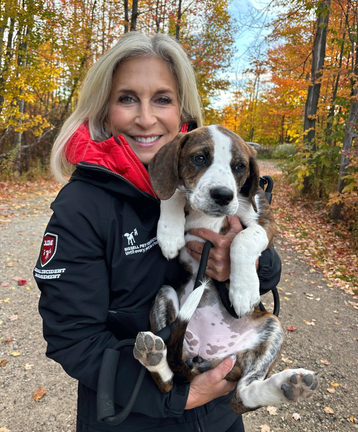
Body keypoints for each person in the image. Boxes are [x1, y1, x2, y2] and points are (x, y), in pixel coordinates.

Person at [34, 31, 281, 432]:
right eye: (127, 98)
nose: (146, 118)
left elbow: (261, 268)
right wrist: (186, 395)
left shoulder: (205, 171)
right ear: (103, 108)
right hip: (134, 414)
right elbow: (72, 338)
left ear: (181, 106)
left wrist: (247, 264)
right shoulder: (81, 208)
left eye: (162, 99)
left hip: (219, 417)